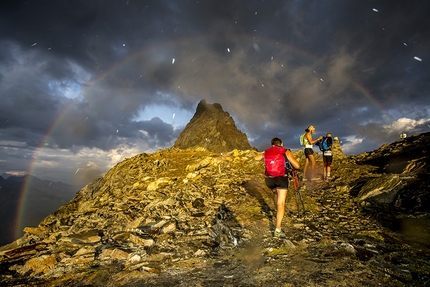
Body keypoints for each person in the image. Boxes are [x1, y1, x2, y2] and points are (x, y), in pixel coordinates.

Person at [255, 137, 300, 238]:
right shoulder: (285, 151)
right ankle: (278, 229)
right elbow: (297, 166)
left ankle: (277, 211)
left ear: (272, 145)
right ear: (281, 143)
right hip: (281, 179)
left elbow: (256, 158)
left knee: (275, 193)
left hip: (269, 180)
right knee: (281, 203)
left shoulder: (267, 152)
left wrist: (265, 154)